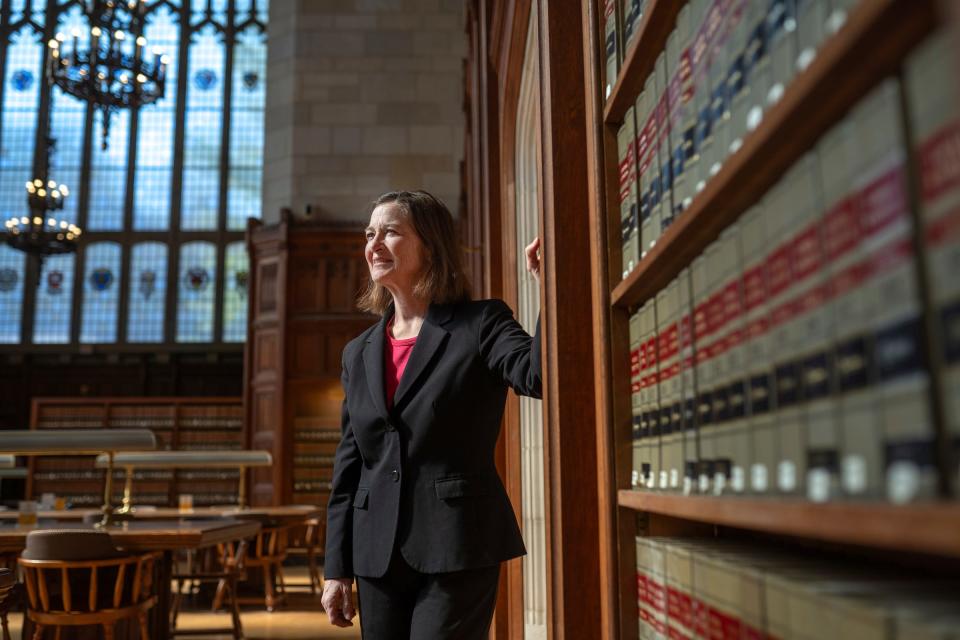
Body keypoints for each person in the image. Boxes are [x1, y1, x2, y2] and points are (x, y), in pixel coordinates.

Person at [321, 190, 542, 638]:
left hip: (457, 543)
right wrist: (336, 568)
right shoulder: (357, 352)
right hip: (375, 553)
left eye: (391, 232)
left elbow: (536, 376)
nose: (374, 244)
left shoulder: (481, 323)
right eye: (369, 234)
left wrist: (552, 287)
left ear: (431, 246)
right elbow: (350, 466)